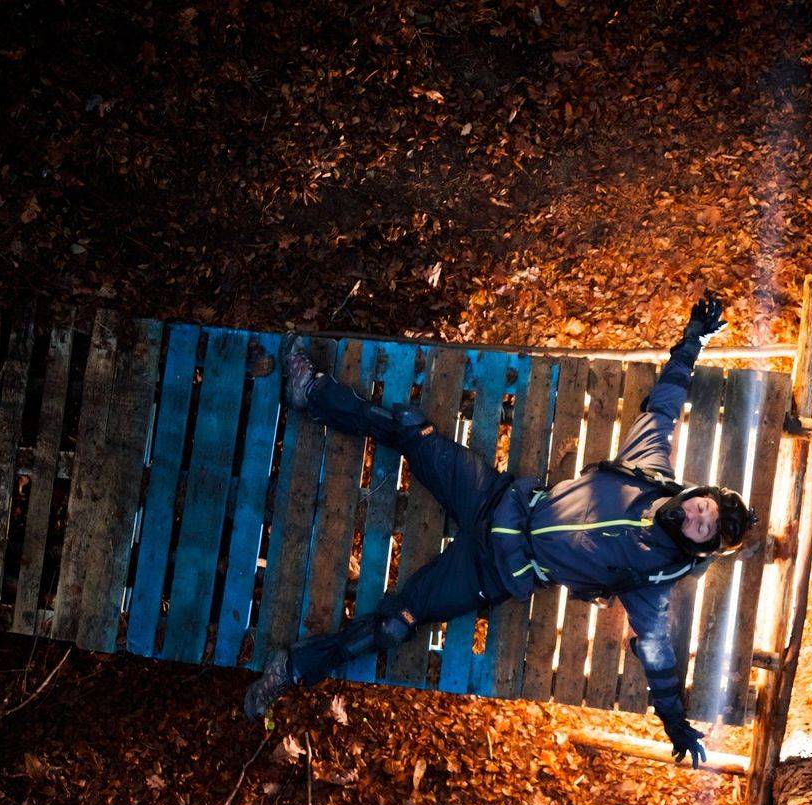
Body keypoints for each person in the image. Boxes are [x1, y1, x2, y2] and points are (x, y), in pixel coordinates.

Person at [244, 294, 757, 767]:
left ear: (701, 547)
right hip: (496, 499)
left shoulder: (654, 577)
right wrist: (693, 340)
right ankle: (311, 393)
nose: (697, 518)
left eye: (704, 529)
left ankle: (292, 669)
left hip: (495, 569)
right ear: (700, 493)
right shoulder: (649, 468)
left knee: (397, 623)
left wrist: (672, 719)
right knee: (409, 428)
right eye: (705, 508)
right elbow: (665, 405)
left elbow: (658, 654)